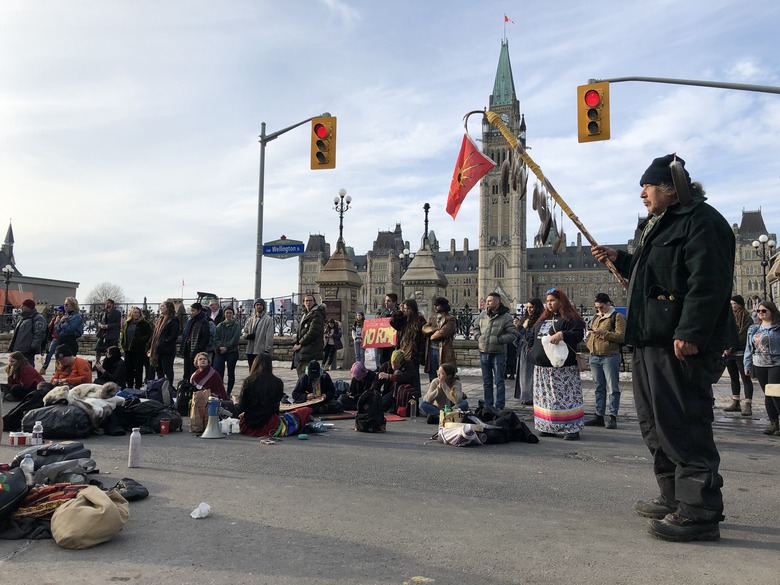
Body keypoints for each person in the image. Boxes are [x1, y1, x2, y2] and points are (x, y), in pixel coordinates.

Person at [592, 153, 734, 542]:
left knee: (683, 424)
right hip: (649, 341)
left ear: (671, 188)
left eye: (648, 186)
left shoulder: (702, 223)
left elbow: (708, 283)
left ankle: (700, 509)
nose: (642, 193)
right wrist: (622, 259)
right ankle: (673, 495)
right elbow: (653, 274)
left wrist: (690, 331)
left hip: (678, 345)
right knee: (654, 424)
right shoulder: (661, 225)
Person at [527, 288, 585, 441]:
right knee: (545, 399)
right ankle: (548, 426)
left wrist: (562, 334)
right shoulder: (543, 319)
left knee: (564, 398)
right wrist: (531, 351)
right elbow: (532, 336)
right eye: (547, 301)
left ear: (561, 301)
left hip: (562, 369)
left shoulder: (570, 319)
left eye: (552, 300)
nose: (549, 304)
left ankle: (571, 428)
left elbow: (578, 334)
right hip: (542, 368)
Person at [235, 354, 312, 438]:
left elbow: (241, 408)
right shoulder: (278, 382)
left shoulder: (248, 381)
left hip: (248, 426)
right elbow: (276, 408)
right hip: (270, 425)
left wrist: (235, 403)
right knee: (305, 411)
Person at [583, 293, 626, 429]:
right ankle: (599, 416)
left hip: (610, 356)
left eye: (601, 307)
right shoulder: (596, 317)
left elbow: (621, 337)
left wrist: (602, 333)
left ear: (608, 304)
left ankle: (612, 416)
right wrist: (589, 343)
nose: (599, 310)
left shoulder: (617, 317)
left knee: (613, 388)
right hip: (595, 355)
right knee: (598, 388)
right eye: (597, 308)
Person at [472, 292, 517, 411]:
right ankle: (488, 405)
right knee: (487, 382)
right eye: (487, 301)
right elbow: (475, 327)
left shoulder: (506, 317)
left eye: (490, 301)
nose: (487, 303)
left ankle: (499, 406)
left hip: (498, 353)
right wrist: (478, 337)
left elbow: (513, 334)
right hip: (484, 351)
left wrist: (499, 340)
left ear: (497, 302)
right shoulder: (482, 315)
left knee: (499, 382)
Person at [744, 300, 780, 436]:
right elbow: (749, 348)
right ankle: (773, 422)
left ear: (772, 312)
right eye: (759, 311)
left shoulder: (778, 327)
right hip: (759, 363)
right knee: (768, 394)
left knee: (775, 393)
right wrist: (747, 365)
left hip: (776, 363)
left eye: (764, 311)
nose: (760, 313)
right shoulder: (754, 329)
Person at [722, 295, 756, 416]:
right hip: (730, 353)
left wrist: (731, 347)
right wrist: (725, 346)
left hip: (741, 352)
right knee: (733, 378)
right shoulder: (730, 317)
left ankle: (747, 404)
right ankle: (736, 402)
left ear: (740, 304)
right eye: (731, 304)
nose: (732, 306)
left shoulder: (747, 317)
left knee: (745, 378)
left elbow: (743, 335)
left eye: (734, 304)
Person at [390, 298, 427, 392]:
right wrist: (399, 311)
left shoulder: (420, 320)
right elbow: (393, 322)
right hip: (403, 352)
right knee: (401, 377)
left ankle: (414, 399)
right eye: (405, 308)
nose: (406, 311)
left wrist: (420, 355)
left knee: (413, 378)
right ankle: (402, 398)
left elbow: (423, 339)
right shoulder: (403, 319)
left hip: (413, 354)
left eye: (408, 309)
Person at [514, 298, 544, 405]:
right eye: (527, 307)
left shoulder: (538, 320)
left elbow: (529, 336)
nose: (529, 310)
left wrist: (520, 327)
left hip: (531, 349)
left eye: (531, 307)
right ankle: (524, 395)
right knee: (522, 374)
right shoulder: (525, 318)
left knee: (528, 374)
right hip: (522, 349)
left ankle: (530, 396)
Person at [422, 297, 456, 383]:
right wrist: (436, 329)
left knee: (444, 375)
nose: (435, 307)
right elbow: (424, 329)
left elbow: (443, 333)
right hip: (431, 349)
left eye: (437, 305)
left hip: (443, 350)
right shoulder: (432, 318)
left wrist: (432, 335)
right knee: (432, 375)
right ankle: (434, 392)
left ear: (443, 306)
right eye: (434, 305)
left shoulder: (450, 319)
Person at [292, 294, 326, 376]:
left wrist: (300, 344)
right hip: (305, 351)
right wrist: (295, 342)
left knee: (308, 377)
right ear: (303, 302)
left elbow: (313, 332)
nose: (308, 302)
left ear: (314, 302)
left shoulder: (316, 314)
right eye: (306, 301)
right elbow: (300, 331)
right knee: (302, 376)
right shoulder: (305, 313)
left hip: (311, 350)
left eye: (310, 300)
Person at [119, 306, 153, 389]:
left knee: (138, 369)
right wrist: (122, 344)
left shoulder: (144, 323)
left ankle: (138, 386)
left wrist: (142, 340)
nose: (136, 314)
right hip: (128, 350)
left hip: (139, 350)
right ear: (131, 313)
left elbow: (150, 334)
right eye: (135, 312)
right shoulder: (127, 323)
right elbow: (123, 335)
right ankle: (129, 385)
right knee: (128, 369)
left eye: (138, 312)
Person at [149, 300, 180, 385]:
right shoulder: (160, 319)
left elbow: (173, 336)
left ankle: (169, 388)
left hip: (167, 350)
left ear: (168, 308)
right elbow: (155, 334)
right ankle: (161, 387)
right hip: (158, 349)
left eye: (163, 306)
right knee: (159, 370)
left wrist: (163, 342)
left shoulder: (173, 320)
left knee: (167, 370)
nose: (161, 308)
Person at [8, 298, 47, 367]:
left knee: (28, 368)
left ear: (29, 307)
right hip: (18, 349)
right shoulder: (22, 318)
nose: (21, 307)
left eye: (23, 306)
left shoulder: (37, 318)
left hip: (27, 350)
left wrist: (33, 347)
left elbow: (39, 334)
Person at [213, 306, 241, 397]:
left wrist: (227, 347)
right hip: (220, 351)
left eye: (230, 313)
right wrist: (220, 346)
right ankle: (220, 391)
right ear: (224, 314)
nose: (228, 314)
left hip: (232, 351)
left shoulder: (236, 326)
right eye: (227, 313)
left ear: (233, 314)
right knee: (218, 371)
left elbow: (235, 339)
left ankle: (228, 392)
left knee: (230, 372)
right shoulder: (220, 326)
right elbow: (216, 338)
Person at [181, 302, 210, 382]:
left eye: (193, 310)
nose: (191, 312)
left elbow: (205, 337)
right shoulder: (190, 320)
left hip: (196, 348)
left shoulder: (203, 321)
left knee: (194, 369)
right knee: (186, 369)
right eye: (191, 310)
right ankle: (186, 385)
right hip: (188, 346)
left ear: (199, 311)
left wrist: (199, 347)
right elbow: (185, 333)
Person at [242, 298, 274, 370]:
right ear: (254, 306)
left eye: (260, 305)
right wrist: (247, 336)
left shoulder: (268, 320)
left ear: (263, 306)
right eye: (257, 305)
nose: (259, 306)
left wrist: (267, 350)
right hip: (250, 350)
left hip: (261, 351)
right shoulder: (251, 319)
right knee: (251, 371)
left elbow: (269, 336)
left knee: (261, 372)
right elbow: (244, 331)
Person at [377, 293, 400, 367]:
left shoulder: (399, 313)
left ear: (394, 302)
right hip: (384, 343)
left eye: (388, 301)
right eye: (385, 301)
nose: (386, 303)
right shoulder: (383, 313)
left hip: (394, 343)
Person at [40, 305, 65, 374]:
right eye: (58, 311)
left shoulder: (65, 319)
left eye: (60, 311)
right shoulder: (55, 318)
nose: (59, 313)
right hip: (55, 339)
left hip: (62, 339)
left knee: (59, 355)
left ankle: (57, 370)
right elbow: (49, 327)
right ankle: (44, 367)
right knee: (49, 354)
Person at [95, 299, 122, 363]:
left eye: (108, 303)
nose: (106, 304)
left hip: (112, 334)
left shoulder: (117, 313)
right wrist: (100, 325)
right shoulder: (103, 312)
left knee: (111, 350)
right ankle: (97, 362)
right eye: (106, 303)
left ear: (112, 304)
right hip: (103, 333)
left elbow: (117, 323)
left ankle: (109, 362)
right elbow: (99, 321)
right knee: (98, 347)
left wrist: (107, 326)